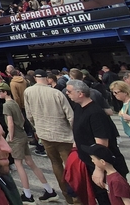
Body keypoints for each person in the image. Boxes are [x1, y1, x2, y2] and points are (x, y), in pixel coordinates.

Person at [0, 83, 56, 203]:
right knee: (30, 163)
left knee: (19, 165)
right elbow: (22, 118)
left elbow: (10, 123)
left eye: (0, 91)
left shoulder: (6, 106)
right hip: (22, 134)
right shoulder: (14, 103)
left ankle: (27, 194)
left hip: (16, 137)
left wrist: (10, 137)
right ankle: (49, 189)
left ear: (5, 92)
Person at [66, 80, 127, 205]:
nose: (67, 93)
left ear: (80, 93)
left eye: (69, 91)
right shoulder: (78, 107)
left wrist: (99, 169)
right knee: (100, 196)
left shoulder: (95, 113)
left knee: (110, 199)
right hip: (90, 162)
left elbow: (102, 144)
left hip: (103, 165)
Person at [23, 69, 75, 204]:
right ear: (47, 78)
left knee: (55, 164)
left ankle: (67, 196)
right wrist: (74, 132)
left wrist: (36, 128)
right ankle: (77, 196)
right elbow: (70, 115)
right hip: (63, 134)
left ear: (35, 78)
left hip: (44, 134)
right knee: (70, 165)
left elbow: (29, 115)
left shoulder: (28, 92)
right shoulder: (56, 93)